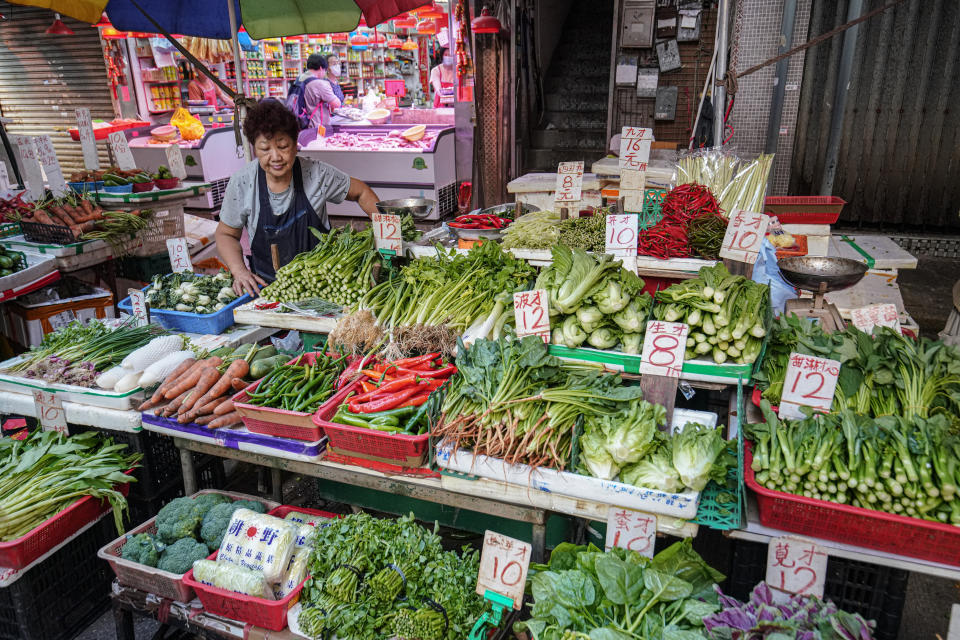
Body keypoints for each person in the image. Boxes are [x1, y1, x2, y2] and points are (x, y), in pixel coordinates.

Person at [215, 100, 380, 297]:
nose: (275, 156)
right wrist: (239, 271)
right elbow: (226, 235)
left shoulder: (316, 173)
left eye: (283, 146)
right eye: (265, 149)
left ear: (295, 144)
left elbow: (361, 192)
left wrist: (387, 230)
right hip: (267, 291)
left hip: (322, 288)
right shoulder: (243, 182)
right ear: (254, 149)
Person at [294, 53, 341, 130]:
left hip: (301, 123)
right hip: (316, 126)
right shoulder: (320, 84)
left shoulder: (298, 79)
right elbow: (337, 104)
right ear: (321, 68)